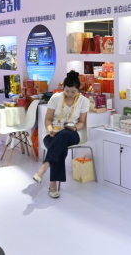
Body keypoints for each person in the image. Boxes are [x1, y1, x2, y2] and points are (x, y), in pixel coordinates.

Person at [33, 70, 89, 198]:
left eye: (73, 92)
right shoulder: (56, 98)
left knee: (64, 134)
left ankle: (43, 168)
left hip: (72, 133)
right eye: (67, 91)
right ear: (63, 88)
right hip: (51, 133)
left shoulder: (84, 101)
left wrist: (74, 127)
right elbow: (48, 119)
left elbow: (81, 122)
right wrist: (50, 129)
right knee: (60, 149)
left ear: (78, 89)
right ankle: (52, 185)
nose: (69, 94)